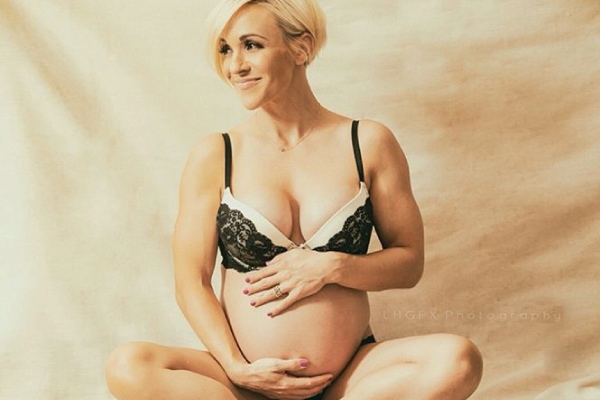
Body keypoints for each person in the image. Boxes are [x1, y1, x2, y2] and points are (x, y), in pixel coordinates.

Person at [105, 0, 483, 399]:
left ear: (301, 48)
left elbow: (409, 264)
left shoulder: (367, 142)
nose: (235, 66)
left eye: (251, 45)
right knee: (129, 365)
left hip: (350, 380)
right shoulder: (216, 154)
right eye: (225, 49)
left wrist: (333, 266)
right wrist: (237, 368)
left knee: (458, 359)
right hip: (245, 386)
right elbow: (191, 282)